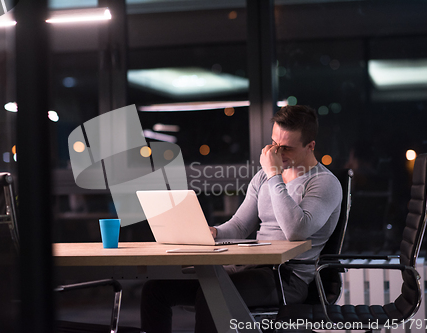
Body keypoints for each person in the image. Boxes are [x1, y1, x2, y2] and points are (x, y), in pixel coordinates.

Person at [140, 105, 343, 333]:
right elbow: (240, 225)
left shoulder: (324, 183)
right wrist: (214, 232)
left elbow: (296, 231)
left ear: (310, 146)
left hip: (287, 278)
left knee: (213, 294)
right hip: (247, 267)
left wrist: (274, 175)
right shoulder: (262, 177)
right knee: (155, 289)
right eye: (274, 144)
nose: (276, 153)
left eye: (286, 148)